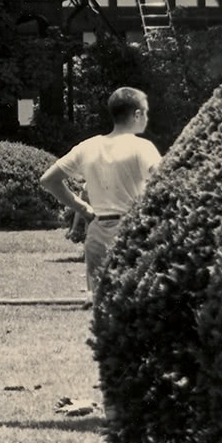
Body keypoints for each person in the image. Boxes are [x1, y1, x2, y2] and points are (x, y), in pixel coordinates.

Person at [40, 87, 162, 301]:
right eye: (146, 112)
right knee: (132, 299)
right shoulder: (143, 147)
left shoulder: (88, 146)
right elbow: (163, 181)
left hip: (97, 231)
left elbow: (48, 180)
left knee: (100, 302)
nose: (147, 118)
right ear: (137, 114)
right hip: (131, 229)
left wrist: (82, 208)